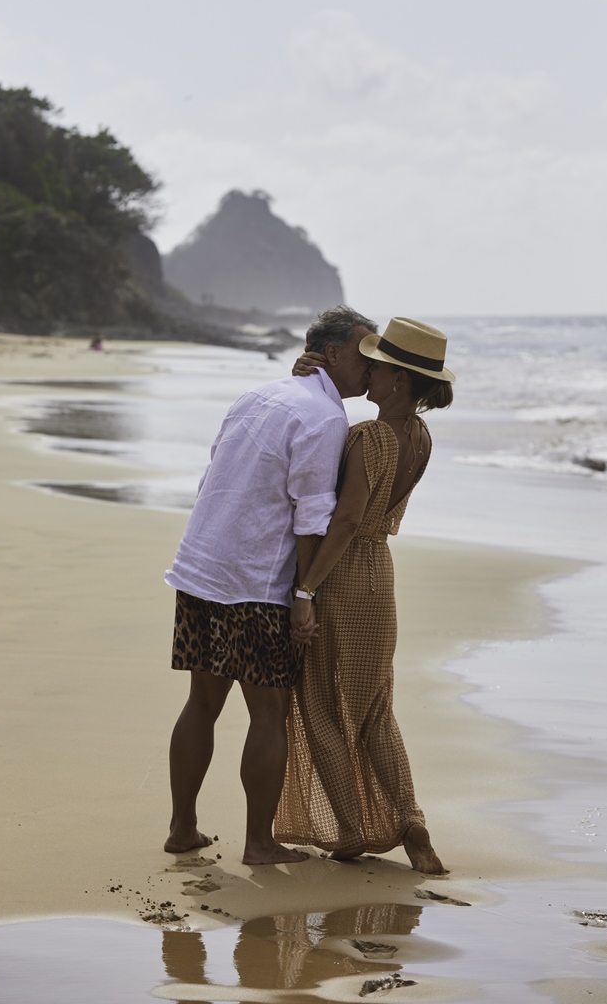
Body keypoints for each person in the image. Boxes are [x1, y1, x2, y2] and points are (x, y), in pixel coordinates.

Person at [163, 305, 377, 865]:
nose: (371, 365)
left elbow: (216, 469)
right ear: (331, 355)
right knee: (268, 712)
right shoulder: (326, 420)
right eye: (364, 352)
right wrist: (304, 595)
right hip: (255, 582)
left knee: (201, 704)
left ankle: (182, 828)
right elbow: (312, 517)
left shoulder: (257, 396)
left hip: (202, 566)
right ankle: (259, 844)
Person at [274, 317, 455, 874]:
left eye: (376, 365)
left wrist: (306, 588)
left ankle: (350, 827)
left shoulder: (371, 436)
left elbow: (347, 519)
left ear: (398, 379)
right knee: (376, 711)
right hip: (381, 577)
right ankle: (410, 821)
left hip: (344, 574)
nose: (367, 371)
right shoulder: (419, 436)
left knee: (322, 706)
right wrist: (308, 374)